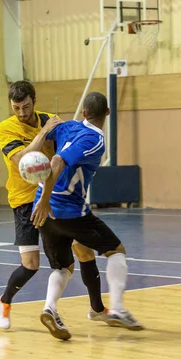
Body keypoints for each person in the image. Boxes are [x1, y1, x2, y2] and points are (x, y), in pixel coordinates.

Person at [0, 81, 110, 329]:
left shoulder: (50, 120)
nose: (22, 113)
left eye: (26, 106)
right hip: (25, 201)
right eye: (16, 108)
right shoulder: (5, 128)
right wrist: (42, 132)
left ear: (34, 101)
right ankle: (3, 302)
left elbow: (71, 146)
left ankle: (97, 308)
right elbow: (22, 160)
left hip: (55, 198)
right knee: (31, 265)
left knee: (84, 252)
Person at [31, 91, 144, 340]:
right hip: (66, 209)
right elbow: (58, 160)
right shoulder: (95, 140)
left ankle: (50, 308)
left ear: (83, 112)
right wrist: (48, 199)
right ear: (107, 113)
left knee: (64, 265)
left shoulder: (67, 127)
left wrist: (42, 199)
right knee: (116, 250)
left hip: (42, 208)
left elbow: (46, 130)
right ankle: (118, 310)